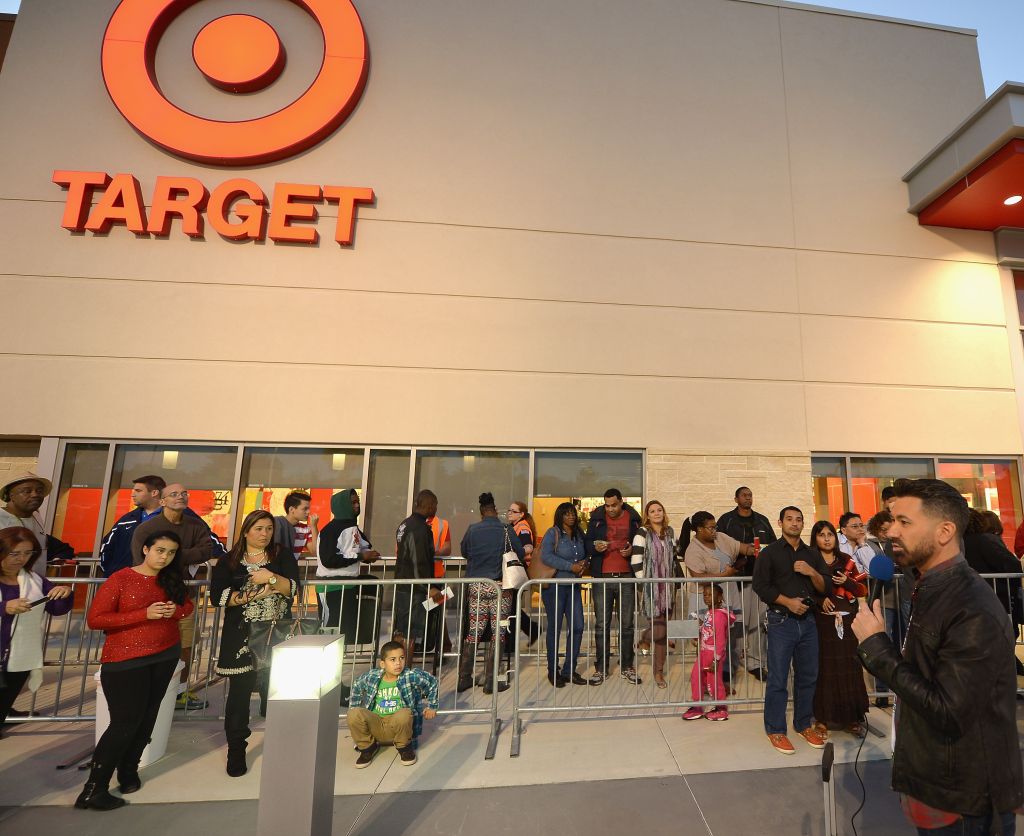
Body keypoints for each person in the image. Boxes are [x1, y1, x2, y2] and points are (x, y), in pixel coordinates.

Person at [853, 478, 1024, 834]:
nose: (892, 531)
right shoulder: (928, 587)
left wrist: (878, 649)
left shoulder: (971, 606)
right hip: (936, 788)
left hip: (965, 803)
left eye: (904, 522)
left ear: (945, 531)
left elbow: (948, 709)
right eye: (891, 520)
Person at [76, 530, 193, 810]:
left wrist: (171, 611)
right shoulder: (122, 578)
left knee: (147, 717)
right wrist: (145, 614)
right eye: (160, 550)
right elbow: (95, 618)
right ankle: (93, 788)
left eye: (171, 552)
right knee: (124, 723)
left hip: (165, 654)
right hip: (125, 660)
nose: (165, 557)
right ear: (145, 549)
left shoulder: (171, 579)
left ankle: (128, 771)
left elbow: (186, 607)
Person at [210, 510, 300, 777]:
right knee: (239, 695)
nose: (264, 534)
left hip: (277, 636)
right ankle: (236, 750)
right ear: (246, 530)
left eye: (269, 529)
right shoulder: (228, 562)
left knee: (277, 693)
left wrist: (270, 578)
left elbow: (293, 589)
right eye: (259, 529)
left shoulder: (281, 556)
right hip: (241, 637)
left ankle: (283, 748)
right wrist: (251, 594)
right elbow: (219, 597)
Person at [131, 483, 227, 711]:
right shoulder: (147, 529)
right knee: (150, 643)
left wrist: (173, 555)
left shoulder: (196, 525)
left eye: (184, 493)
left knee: (186, 645)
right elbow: (139, 561)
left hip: (184, 597)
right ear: (161, 501)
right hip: (152, 597)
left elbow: (207, 550)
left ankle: (181, 692)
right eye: (173, 494)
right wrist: (184, 557)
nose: (180, 497)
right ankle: (149, 692)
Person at [752, 506, 832, 755]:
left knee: (808, 676)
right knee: (778, 678)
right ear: (780, 522)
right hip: (781, 621)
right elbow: (760, 586)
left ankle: (803, 724)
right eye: (789, 519)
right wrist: (788, 602)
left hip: (808, 623)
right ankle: (776, 729)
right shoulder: (770, 553)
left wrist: (811, 572)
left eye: (799, 520)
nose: (795, 523)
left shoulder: (812, 554)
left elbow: (825, 587)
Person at [0, 528, 72, 731]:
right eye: (14, 553)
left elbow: (57, 609)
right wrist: (4, 607)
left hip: (20, 656)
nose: (21, 559)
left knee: (5, 700)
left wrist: (64, 593)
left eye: (27, 553)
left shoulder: (35, 580)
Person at [457, 493, 524, 694]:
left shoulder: (473, 529)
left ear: (481, 511)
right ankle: (490, 681)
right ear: (495, 510)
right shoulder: (506, 529)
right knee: (498, 633)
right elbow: (519, 552)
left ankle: (464, 678)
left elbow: (464, 552)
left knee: (474, 632)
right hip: (500, 587)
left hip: (476, 586)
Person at [808, 520, 868, 738]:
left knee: (849, 666)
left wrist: (847, 582)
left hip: (847, 621)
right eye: (821, 534)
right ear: (815, 538)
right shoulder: (810, 561)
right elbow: (803, 588)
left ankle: (851, 717)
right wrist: (819, 599)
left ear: (836, 537)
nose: (826, 538)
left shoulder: (846, 560)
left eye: (830, 534)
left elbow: (862, 588)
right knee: (825, 668)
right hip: (822, 623)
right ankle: (822, 718)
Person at [681, 511, 755, 687]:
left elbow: (742, 548)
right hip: (704, 600)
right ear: (699, 529)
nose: (715, 530)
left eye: (715, 526)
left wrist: (756, 549)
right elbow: (699, 577)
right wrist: (725, 574)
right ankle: (706, 681)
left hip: (728, 595)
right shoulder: (693, 550)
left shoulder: (721, 538)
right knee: (707, 642)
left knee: (725, 638)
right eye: (711, 527)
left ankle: (724, 675)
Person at [717, 487, 777, 682]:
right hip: (734, 580)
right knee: (733, 624)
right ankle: (729, 665)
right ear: (736, 498)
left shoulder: (762, 521)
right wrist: (728, 566)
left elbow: (773, 547)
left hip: (758, 580)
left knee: (758, 623)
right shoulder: (726, 520)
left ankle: (756, 663)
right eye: (744, 495)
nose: (748, 497)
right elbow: (716, 547)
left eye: (750, 494)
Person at [348, 640, 439, 767]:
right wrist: (355, 707)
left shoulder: (410, 675)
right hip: (377, 724)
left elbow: (432, 682)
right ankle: (367, 747)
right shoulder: (372, 676)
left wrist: (432, 706)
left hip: (398, 727)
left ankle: (404, 748)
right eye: (393, 659)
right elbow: (357, 685)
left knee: (405, 713)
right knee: (354, 713)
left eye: (401, 658)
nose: (398, 663)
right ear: (383, 664)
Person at [585, 488, 643, 685]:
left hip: (626, 576)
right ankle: (601, 668)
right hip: (602, 576)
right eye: (607, 505)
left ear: (621, 502)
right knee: (602, 624)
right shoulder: (596, 517)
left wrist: (631, 551)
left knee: (627, 624)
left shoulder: (634, 518)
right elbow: (587, 543)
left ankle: (627, 666)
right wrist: (595, 547)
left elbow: (641, 544)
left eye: (614, 505)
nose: (610, 509)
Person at [539, 502, 590, 687]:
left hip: (574, 587)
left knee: (578, 626)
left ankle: (570, 670)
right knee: (555, 628)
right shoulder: (553, 533)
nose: (571, 517)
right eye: (567, 514)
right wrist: (570, 566)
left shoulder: (578, 534)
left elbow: (584, 554)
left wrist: (583, 564)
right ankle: (553, 671)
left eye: (573, 514)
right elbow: (546, 556)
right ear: (560, 516)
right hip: (555, 587)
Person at [393, 491, 444, 665]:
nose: (436, 508)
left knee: (402, 630)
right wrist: (427, 586)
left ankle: (445, 646)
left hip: (404, 585)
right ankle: (404, 670)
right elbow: (418, 561)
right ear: (429, 505)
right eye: (435, 504)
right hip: (414, 590)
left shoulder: (405, 524)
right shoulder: (419, 528)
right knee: (409, 633)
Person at [632, 500, 677, 689]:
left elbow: (674, 556)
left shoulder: (670, 532)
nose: (657, 513)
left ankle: (658, 672)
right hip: (652, 588)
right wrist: (646, 584)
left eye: (660, 509)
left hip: (668, 587)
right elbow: (636, 561)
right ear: (647, 515)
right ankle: (643, 638)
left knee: (663, 633)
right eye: (652, 511)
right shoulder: (642, 533)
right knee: (659, 630)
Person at [682, 584, 735, 721]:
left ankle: (721, 708)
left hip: (713, 655)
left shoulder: (719, 616)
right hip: (704, 652)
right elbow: (708, 631)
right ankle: (697, 705)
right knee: (696, 676)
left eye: (710, 594)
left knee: (714, 681)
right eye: (705, 594)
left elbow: (721, 640)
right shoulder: (709, 612)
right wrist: (699, 627)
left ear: (719, 597)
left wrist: (716, 660)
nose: (706, 597)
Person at [0, 471, 75, 565]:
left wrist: (58, 559)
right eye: (27, 491)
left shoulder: (36, 516)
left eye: (39, 491)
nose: (35, 495)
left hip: (33, 579)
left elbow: (58, 548)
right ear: (11, 496)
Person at [99, 475, 167, 577]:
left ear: (154, 493)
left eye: (138, 491)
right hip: (126, 580)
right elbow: (107, 546)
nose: (133, 494)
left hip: (161, 580)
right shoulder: (127, 519)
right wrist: (111, 572)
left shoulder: (174, 518)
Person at [504, 500, 540, 650]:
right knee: (512, 607)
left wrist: (515, 553)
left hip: (517, 570)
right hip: (514, 570)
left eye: (514, 511)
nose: (510, 513)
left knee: (510, 607)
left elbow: (529, 547)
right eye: (509, 510)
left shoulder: (522, 526)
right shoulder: (514, 526)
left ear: (521, 514)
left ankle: (511, 644)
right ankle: (532, 629)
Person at [273, 490, 319, 560]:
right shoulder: (275, 524)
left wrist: (314, 527)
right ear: (291, 509)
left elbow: (315, 552)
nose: (308, 512)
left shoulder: (305, 529)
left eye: (309, 509)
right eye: (305, 509)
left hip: (291, 568)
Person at [839, 512, 875, 577]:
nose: (860, 529)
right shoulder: (837, 543)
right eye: (855, 526)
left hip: (859, 585)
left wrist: (861, 543)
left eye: (861, 526)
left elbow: (872, 571)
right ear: (844, 530)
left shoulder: (865, 545)